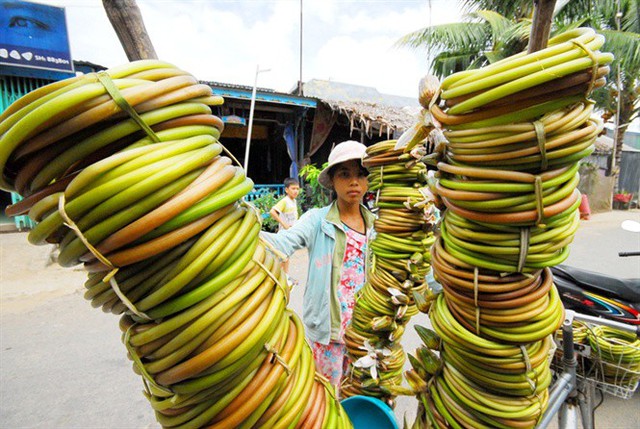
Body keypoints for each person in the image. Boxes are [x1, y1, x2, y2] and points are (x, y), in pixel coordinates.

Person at [262, 140, 375, 390]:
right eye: (344, 174)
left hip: (367, 336)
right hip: (328, 336)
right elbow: (281, 244)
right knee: (324, 403)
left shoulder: (378, 226)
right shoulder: (316, 221)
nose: (353, 181)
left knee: (359, 403)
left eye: (360, 174)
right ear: (333, 181)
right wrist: (241, 224)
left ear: (368, 181)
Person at [269, 178, 300, 273]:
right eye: (293, 188)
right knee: (284, 257)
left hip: (290, 234)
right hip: (284, 234)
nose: (296, 191)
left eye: (297, 189)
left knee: (286, 257)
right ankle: (284, 277)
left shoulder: (293, 201)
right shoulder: (285, 201)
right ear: (286, 190)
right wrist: (284, 224)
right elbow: (272, 212)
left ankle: (284, 277)